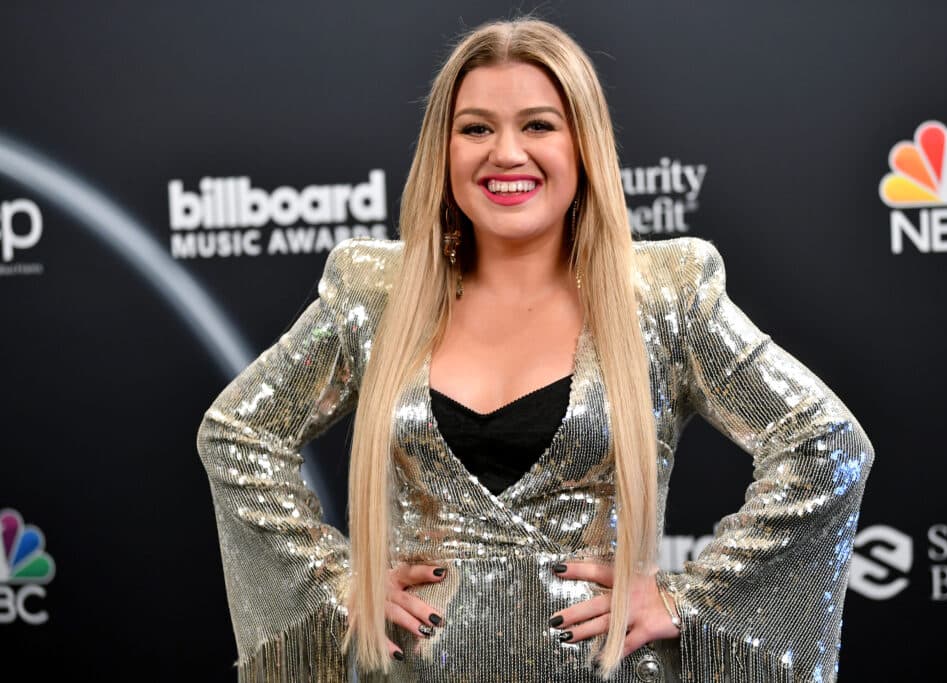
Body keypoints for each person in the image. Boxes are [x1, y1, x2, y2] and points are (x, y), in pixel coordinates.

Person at [196, 18, 873, 683]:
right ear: (444, 150)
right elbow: (237, 432)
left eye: (539, 125)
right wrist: (335, 583)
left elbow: (826, 445)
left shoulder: (667, 298)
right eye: (477, 128)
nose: (507, 154)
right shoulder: (375, 295)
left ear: (583, 146)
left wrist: (692, 597)